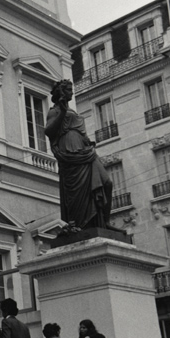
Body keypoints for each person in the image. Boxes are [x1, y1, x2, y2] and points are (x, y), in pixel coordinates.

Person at [44, 79, 113, 232]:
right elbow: (48, 131)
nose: (72, 92)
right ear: (61, 92)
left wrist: (87, 141)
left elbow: (79, 130)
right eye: (68, 89)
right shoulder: (54, 111)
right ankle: (82, 224)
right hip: (70, 154)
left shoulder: (72, 111)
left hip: (85, 151)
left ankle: (106, 221)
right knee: (78, 192)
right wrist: (62, 113)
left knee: (107, 183)